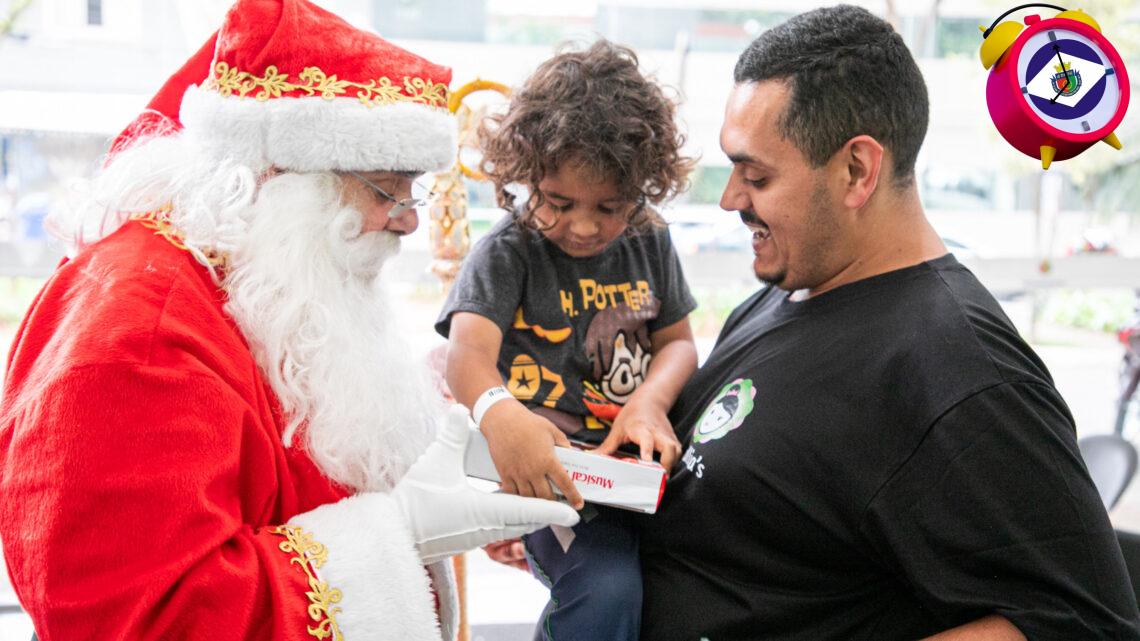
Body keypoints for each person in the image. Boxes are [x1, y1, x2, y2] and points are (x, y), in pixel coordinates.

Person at [0, 1, 578, 639]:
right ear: (277, 177)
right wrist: (405, 528)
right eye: (388, 189)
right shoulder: (140, 337)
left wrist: (454, 460)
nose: (410, 219)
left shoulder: (254, 277)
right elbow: (148, 617)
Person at [638, 6, 1140, 640]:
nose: (731, 199)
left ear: (856, 171)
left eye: (756, 175)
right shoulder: (788, 292)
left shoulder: (959, 368)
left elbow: (1083, 622)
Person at [435, 40, 698, 641]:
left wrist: (649, 401)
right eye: (558, 202)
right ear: (525, 175)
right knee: (603, 590)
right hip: (551, 477)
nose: (583, 225)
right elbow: (466, 355)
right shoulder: (507, 254)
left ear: (645, 187)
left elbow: (680, 343)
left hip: (636, 475)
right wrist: (502, 419)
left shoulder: (648, 239)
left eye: (610, 206)